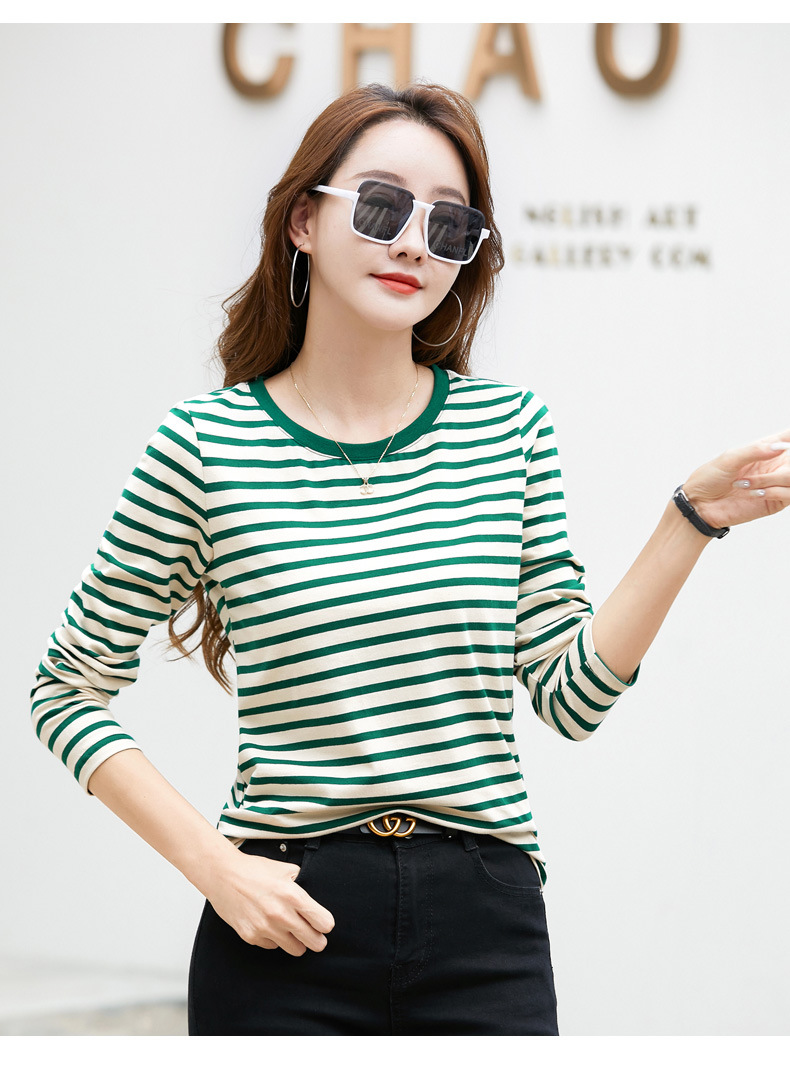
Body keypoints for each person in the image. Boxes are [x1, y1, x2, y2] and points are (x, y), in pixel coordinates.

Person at [30, 81, 789, 1037]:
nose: (413, 243)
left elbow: (572, 698)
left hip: (484, 929)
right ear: (304, 221)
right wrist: (215, 866)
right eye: (382, 206)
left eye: (449, 223)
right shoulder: (206, 446)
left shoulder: (508, 430)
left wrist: (690, 519)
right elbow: (65, 691)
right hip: (284, 928)